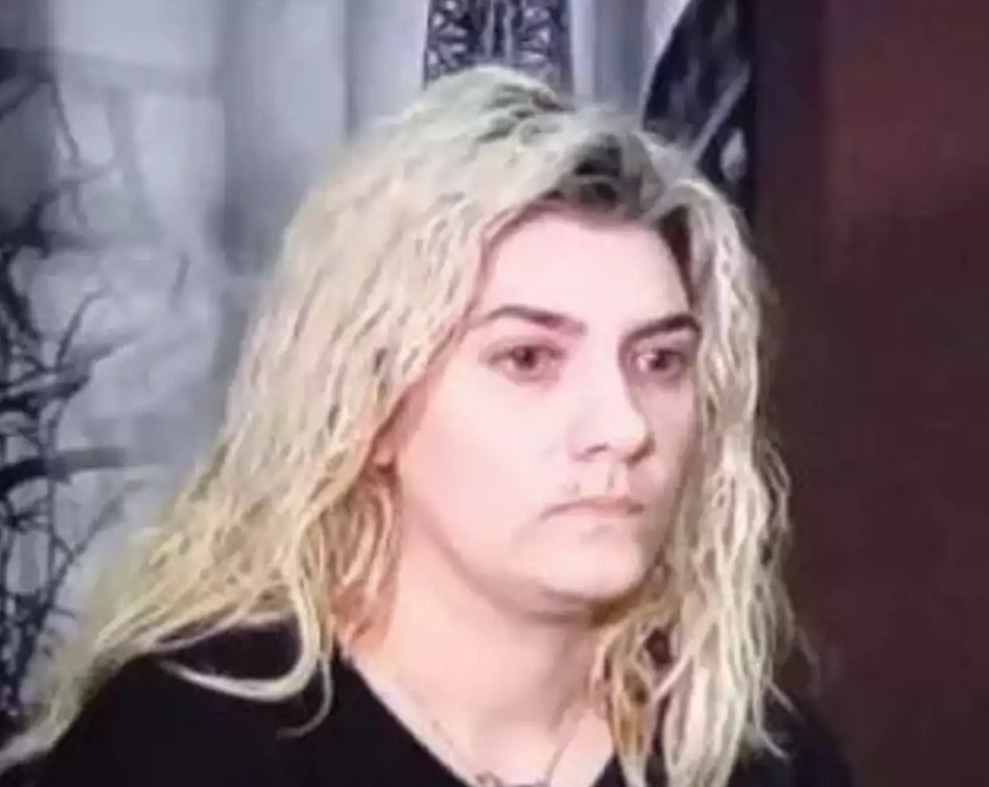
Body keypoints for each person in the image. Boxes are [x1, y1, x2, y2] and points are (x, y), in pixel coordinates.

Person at [0, 65, 850, 787]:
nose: (623, 426)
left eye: (659, 361)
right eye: (527, 359)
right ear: (372, 405)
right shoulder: (182, 745)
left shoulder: (753, 758)